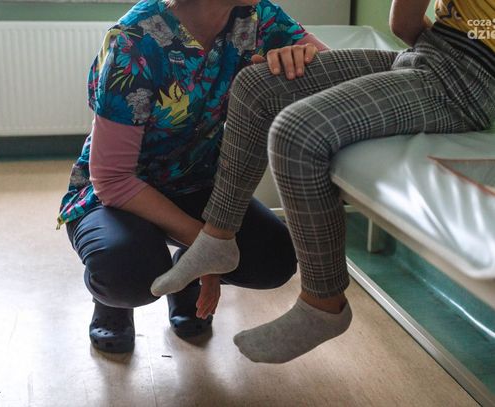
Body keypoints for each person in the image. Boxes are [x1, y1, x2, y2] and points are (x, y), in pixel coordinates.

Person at [151, 0, 495, 363]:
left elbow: (404, 23)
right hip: (431, 55)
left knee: (296, 132)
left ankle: (324, 304)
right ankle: (217, 237)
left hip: (463, 80)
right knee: (255, 86)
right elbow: (403, 25)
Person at [57, 0, 328, 353]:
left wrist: (306, 62)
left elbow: (341, 76)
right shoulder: (134, 41)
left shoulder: (257, 16)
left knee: (274, 260)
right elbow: (112, 179)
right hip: (119, 195)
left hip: (196, 180)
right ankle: (112, 304)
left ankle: (186, 273)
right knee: (128, 273)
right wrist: (209, 250)